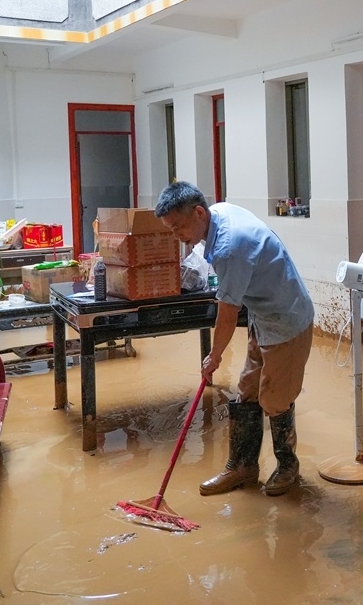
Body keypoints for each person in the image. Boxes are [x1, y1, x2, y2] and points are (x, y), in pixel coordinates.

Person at [155, 182, 314, 497]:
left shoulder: (231, 246)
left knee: (275, 399)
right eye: (170, 230)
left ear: (199, 212)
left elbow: (227, 314)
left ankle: (288, 466)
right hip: (262, 316)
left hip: (286, 320)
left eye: (179, 227)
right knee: (248, 391)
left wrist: (214, 356)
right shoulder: (218, 212)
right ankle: (242, 467)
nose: (177, 236)